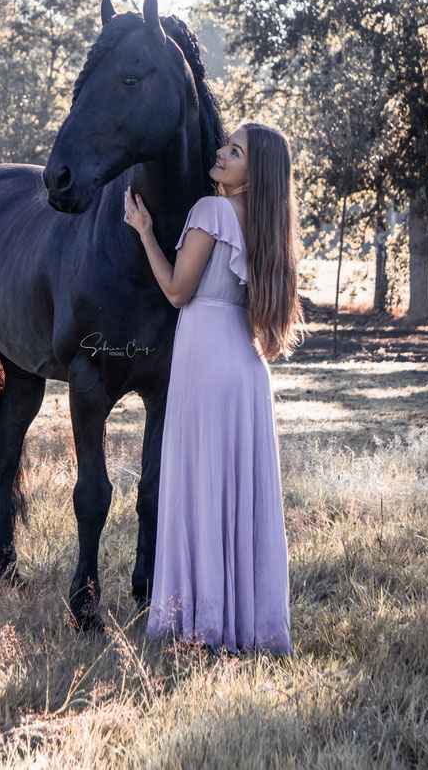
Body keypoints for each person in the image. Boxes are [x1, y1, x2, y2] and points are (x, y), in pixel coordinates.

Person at [123, 121, 303, 655]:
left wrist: (144, 231)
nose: (220, 153)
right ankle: (244, 625)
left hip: (204, 362)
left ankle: (199, 623)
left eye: (235, 151)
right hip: (245, 370)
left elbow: (178, 291)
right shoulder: (269, 224)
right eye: (227, 145)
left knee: (200, 487)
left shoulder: (212, 212)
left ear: (255, 171)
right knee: (237, 497)